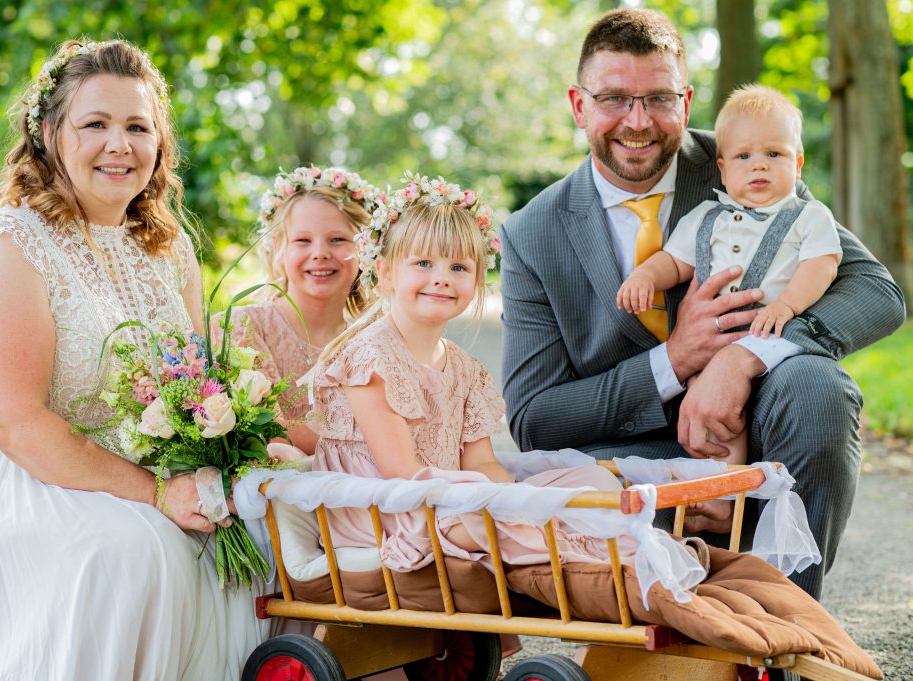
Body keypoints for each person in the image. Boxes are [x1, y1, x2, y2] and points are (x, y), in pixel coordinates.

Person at [0, 39, 268, 679]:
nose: (119, 145)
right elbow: (13, 424)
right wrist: (158, 495)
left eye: (137, 127)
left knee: (255, 534)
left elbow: (198, 388)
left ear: (159, 143)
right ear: (49, 133)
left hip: (133, 464)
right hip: (15, 477)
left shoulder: (168, 250)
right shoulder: (8, 245)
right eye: (95, 124)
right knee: (129, 552)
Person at [499, 7, 905, 602]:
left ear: (686, 103)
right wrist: (676, 359)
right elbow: (533, 417)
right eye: (614, 98)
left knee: (819, 387)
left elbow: (877, 292)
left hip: (758, 425)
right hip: (628, 462)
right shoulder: (531, 233)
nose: (638, 122)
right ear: (578, 104)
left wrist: (741, 361)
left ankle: (782, 624)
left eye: (658, 99)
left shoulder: (751, 158)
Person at [306, 174, 636, 570]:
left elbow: (480, 463)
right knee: (491, 515)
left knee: (593, 482)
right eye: (424, 263)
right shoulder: (369, 358)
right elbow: (402, 472)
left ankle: (573, 542)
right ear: (386, 272)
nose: (442, 277)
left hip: (449, 499)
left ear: (477, 278)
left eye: (459, 266)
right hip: (387, 510)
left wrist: (514, 498)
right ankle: (585, 557)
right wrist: (493, 500)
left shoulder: (465, 369)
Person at [616, 84, 843, 530]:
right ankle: (718, 488)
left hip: (769, 336)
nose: (759, 164)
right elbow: (674, 261)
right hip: (711, 343)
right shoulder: (703, 218)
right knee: (715, 418)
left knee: (742, 406)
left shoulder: (807, 216)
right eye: (743, 157)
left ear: (798, 164)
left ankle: (729, 497)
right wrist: (645, 276)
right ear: (722, 169)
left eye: (774, 155)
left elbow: (823, 265)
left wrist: (789, 306)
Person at [231, 166, 382, 456]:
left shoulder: (375, 338)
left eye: (338, 239)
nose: (320, 253)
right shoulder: (244, 328)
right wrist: (371, 434)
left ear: (365, 249)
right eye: (303, 240)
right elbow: (265, 433)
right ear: (279, 249)